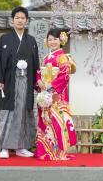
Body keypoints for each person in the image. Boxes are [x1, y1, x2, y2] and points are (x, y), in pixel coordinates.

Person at [0, 6, 39, 159]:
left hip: (26, 82)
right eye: (17, 18)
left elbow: (35, 63)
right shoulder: (5, 39)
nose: (20, 20)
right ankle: (4, 147)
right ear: (12, 21)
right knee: (8, 113)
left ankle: (21, 147)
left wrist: (38, 81)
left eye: (23, 18)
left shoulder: (31, 40)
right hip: (9, 81)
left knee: (23, 112)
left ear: (27, 21)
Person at [35, 29, 77, 160]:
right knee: (44, 120)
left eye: (55, 39)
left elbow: (65, 74)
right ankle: (44, 151)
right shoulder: (46, 58)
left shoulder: (63, 57)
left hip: (56, 95)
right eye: (50, 39)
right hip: (45, 92)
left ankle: (57, 152)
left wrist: (51, 86)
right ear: (46, 42)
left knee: (56, 121)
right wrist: (39, 81)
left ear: (61, 40)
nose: (52, 42)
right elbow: (38, 72)